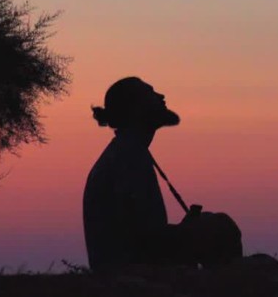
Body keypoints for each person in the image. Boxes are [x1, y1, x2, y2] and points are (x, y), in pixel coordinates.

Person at [82, 76, 241, 271]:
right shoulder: (129, 156)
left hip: (126, 263)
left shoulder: (127, 151)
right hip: (129, 268)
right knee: (221, 226)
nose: (161, 96)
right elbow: (146, 239)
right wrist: (188, 232)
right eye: (150, 93)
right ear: (135, 109)